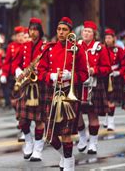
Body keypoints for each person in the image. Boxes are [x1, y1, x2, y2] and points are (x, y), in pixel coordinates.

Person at [37, 17, 88, 171]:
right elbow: (40, 72)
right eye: (59, 29)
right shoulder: (49, 48)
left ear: (70, 32)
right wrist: (50, 76)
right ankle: (66, 157)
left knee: (66, 133)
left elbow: (84, 74)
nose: (61, 32)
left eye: (64, 30)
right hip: (52, 92)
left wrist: (70, 76)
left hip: (68, 93)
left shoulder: (77, 49)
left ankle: (69, 165)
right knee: (50, 137)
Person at [15, 18, 47, 161]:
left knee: (39, 120)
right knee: (22, 119)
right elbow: (14, 62)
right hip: (25, 85)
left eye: (35, 30)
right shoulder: (25, 46)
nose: (32, 32)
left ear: (40, 32)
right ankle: (29, 142)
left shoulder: (45, 47)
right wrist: (17, 70)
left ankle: (38, 149)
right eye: (30, 29)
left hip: (39, 86)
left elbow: (48, 66)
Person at [76, 21, 110, 154]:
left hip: (94, 85)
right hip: (79, 85)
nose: (86, 33)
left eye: (89, 31)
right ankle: (83, 138)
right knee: (77, 113)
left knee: (92, 114)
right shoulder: (77, 46)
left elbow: (107, 68)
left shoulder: (100, 48)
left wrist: (94, 70)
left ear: (94, 35)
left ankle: (93, 143)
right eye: (84, 31)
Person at [103, 28, 125, 130]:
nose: (107, 40)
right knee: (105, 99)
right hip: (104, 76)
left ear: (114, 39)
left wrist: (119, 72)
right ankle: (107, 119)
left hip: (114, 77)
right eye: (106, 38)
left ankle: (111, 122)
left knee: (111, 99)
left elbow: (124, 64)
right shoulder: (102, 49)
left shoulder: (119, 50)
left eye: (109, 38)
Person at [0, 26, 25, 111]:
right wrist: (4, 74)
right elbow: (7, 62)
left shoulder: (27, 45)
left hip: (25, 75)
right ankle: (18, 116)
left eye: (22, 35)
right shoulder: (11, 46)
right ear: (15, 36)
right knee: (14, 99)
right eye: (18, 36)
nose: (20, 38)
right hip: (13, 75)